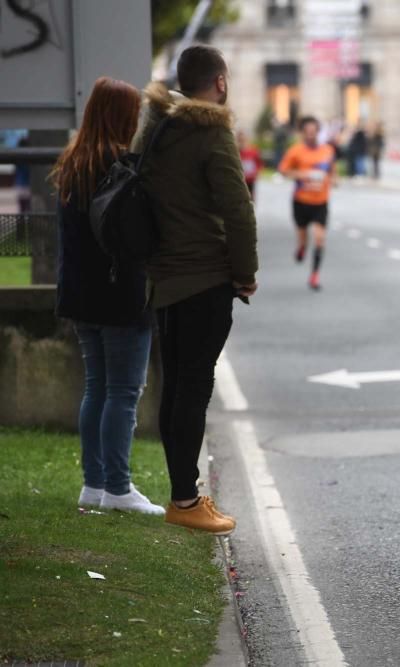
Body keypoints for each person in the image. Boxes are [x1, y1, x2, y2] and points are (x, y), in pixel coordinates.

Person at [132, 45, 258, 534]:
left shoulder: (157, 127)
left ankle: (181, 492)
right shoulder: (211, 132)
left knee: (176, 385)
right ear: (220, 83)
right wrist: (244, 272)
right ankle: (186, 501)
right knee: (193, 386)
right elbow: (238, 210)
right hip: (205, 276)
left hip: (164, 276)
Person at [51, 77, 163, 516]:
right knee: (123, 392)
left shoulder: (71, 164)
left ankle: (93, 485)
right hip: (120, 296)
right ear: (123, 116)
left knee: (96, 388)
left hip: (79, 295)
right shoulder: (124, 169)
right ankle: (117, 488)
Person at [278, 116, 337, 290]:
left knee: (319, 239)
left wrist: (334, 179)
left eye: (314, 132)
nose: (311, 135)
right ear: (303, 133)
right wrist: (301, 175)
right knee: (304, 239)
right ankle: (301, 248)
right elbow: (283, 170)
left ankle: (314, 276)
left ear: (318, 132)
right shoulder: (295, 151)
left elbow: (332, 170)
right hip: (301, 201)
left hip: (321, 201)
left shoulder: (327, 151)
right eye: (307, 132)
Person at [237, 130, 263, 201]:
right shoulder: (236, 152)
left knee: (250, 197)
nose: (242, 142)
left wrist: (258, 173)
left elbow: (259, 163)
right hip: (240, 179)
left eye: (243, 139)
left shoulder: (253, 151)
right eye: (240, 140)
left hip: (251, 179)